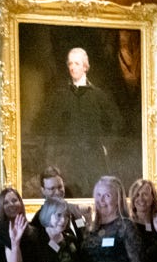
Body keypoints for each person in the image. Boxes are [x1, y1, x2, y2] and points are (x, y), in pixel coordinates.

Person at [33, 48, 125, 197]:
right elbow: (49, 128)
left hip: (94, 159)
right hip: (68, 161)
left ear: (85, 66)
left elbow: (117, 123)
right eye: (70, 63)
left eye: (77, 63)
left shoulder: (98, 96)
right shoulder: (59, 96)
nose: (72, 67)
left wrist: (106, 146)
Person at [30, 167, 89, 240]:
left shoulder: (74, 210)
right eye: (52, 188)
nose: (57, 192)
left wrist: (88, 222)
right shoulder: (39, 219)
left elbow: (82, 232)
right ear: (43, 190)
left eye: (60, 187)